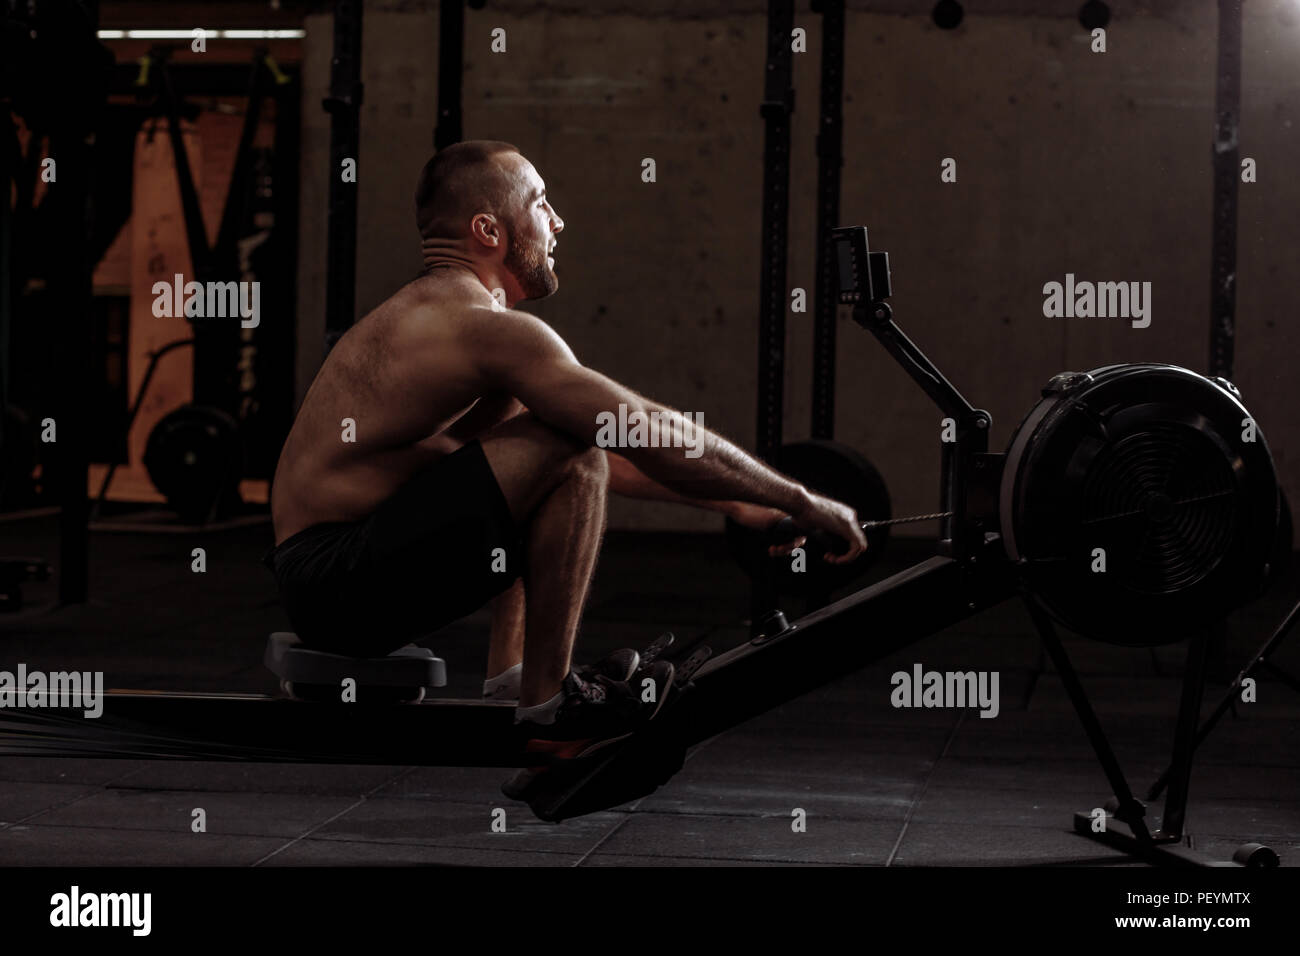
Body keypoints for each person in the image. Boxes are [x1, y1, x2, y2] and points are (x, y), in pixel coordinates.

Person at [264, 140, 867, 764]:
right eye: (541, 202)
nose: (557, 221)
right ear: (488, 230)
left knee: (552, 444)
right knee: (570, 446)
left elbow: (594, 455)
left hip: (337, 578)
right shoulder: (475, 326)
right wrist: (798, 496)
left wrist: (738, 505)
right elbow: (629, 428)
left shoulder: (453, 321)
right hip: (337, 581)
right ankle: (550, 708)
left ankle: (513, 676)